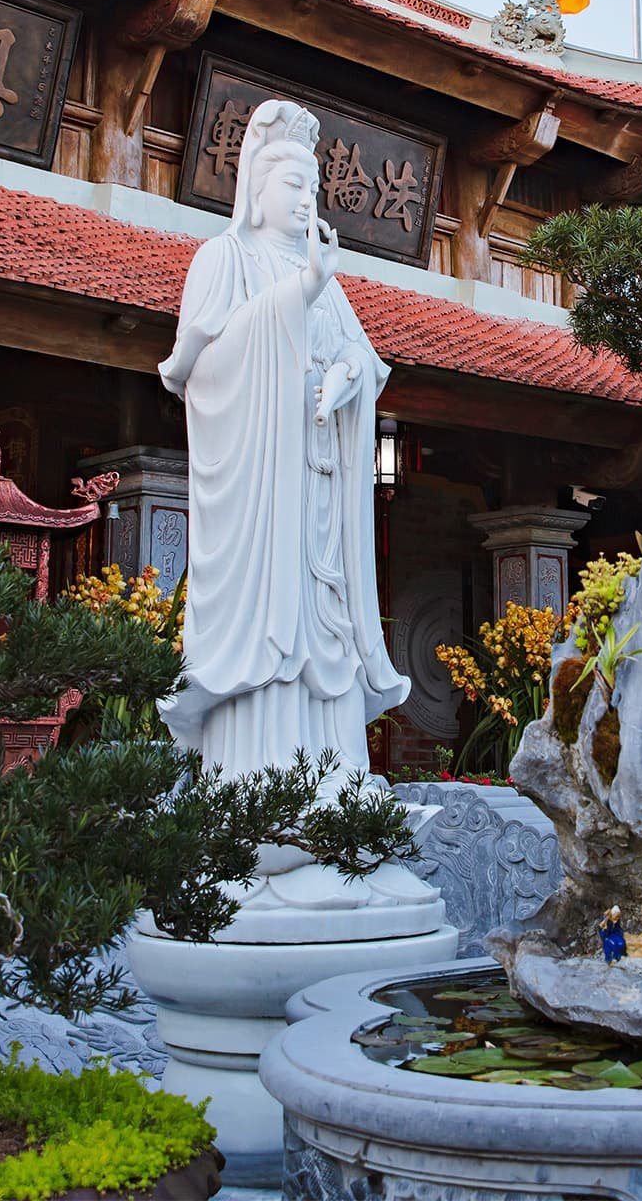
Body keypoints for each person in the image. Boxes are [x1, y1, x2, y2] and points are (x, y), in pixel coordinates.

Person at [158, 100, 409, 780]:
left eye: (314, 189)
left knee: (323, 625)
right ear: (257, 190)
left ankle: (336, 786)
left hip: (318, 491)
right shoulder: (224, 258)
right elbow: (200, 373)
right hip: (260, 506)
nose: (307, 201)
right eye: (293, 186)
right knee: (274, 634)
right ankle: (254, 785)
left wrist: (347, 378)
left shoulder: (328, 281)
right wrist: (292, 299)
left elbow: (366, 362)